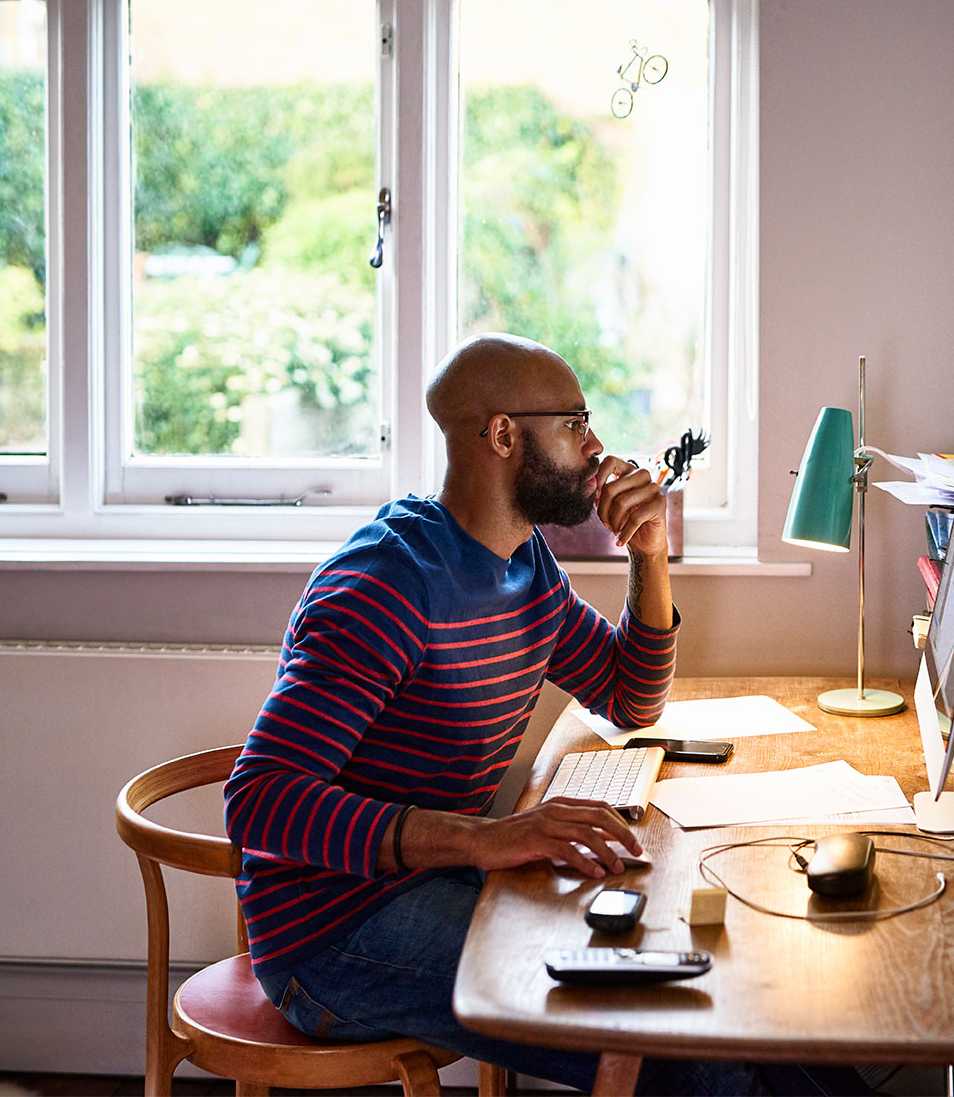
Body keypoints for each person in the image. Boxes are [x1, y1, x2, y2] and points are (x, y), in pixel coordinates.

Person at [223, 334, 785, 1094]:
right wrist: (487, 837)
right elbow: (258, 800)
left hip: (438, 881)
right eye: (576, 423)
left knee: (717, 988)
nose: (596, 447)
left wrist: (648, 554)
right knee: (674, 1048)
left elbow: (629, 697)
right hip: (333, 935)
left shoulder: (524, 564)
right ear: (502, 434)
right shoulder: (387, 586)